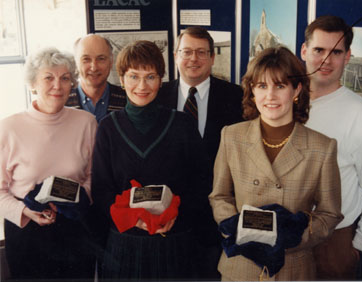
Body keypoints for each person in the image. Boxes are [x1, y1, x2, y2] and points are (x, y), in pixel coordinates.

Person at [209, 46, 343, 281]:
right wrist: (236, 228)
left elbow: (329, 214)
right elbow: (219, 197)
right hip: (239, 268)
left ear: (296, 90)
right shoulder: (231, 136)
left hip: (293, 269)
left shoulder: (322, 147)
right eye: (262, 86)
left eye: (280, 86)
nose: (269, 96)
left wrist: (289, 238)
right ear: (252, 90)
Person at [91, 40, 209, 280]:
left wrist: (175, 215)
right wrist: (134, 219)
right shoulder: (108, 128)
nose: (142, 86)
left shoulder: (182, 124)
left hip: (175, 243)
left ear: (161, 79)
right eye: (134, 77)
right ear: (121, 80)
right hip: (125, 247)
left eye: (151, 77)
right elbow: (102, 190)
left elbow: (202, 182)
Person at [301, 15, 362, 280]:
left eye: (336, 52)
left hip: (334, 241)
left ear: (348, 57)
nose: (326, 60)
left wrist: (358, 243)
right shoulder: (282, 100)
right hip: (283, 236)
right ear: (304, 50)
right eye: (319, 49)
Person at [0, 48, 97, 280]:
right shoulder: (9, 128)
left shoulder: (86, 122)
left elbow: (95, 176)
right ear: (32, 84)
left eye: (65, 78)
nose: (58, 85)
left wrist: (80, 199)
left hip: (75, 229)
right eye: (48, 78)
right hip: (27, 231)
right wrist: (26, 212)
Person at [155, 26, 243, 279]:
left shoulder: (236, 97)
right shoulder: (157, 96)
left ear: (213, 57)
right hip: (168, 217)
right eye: (187, 52)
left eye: (201, 52)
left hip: (215, 220)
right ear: (175, 56)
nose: (193, 59)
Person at [66, 34, 126, 122]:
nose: (94, 67)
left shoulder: (127, 101)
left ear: (111, 61)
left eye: (101, 59)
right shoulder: (62, 102)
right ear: (76, 62)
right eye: (86, 59)